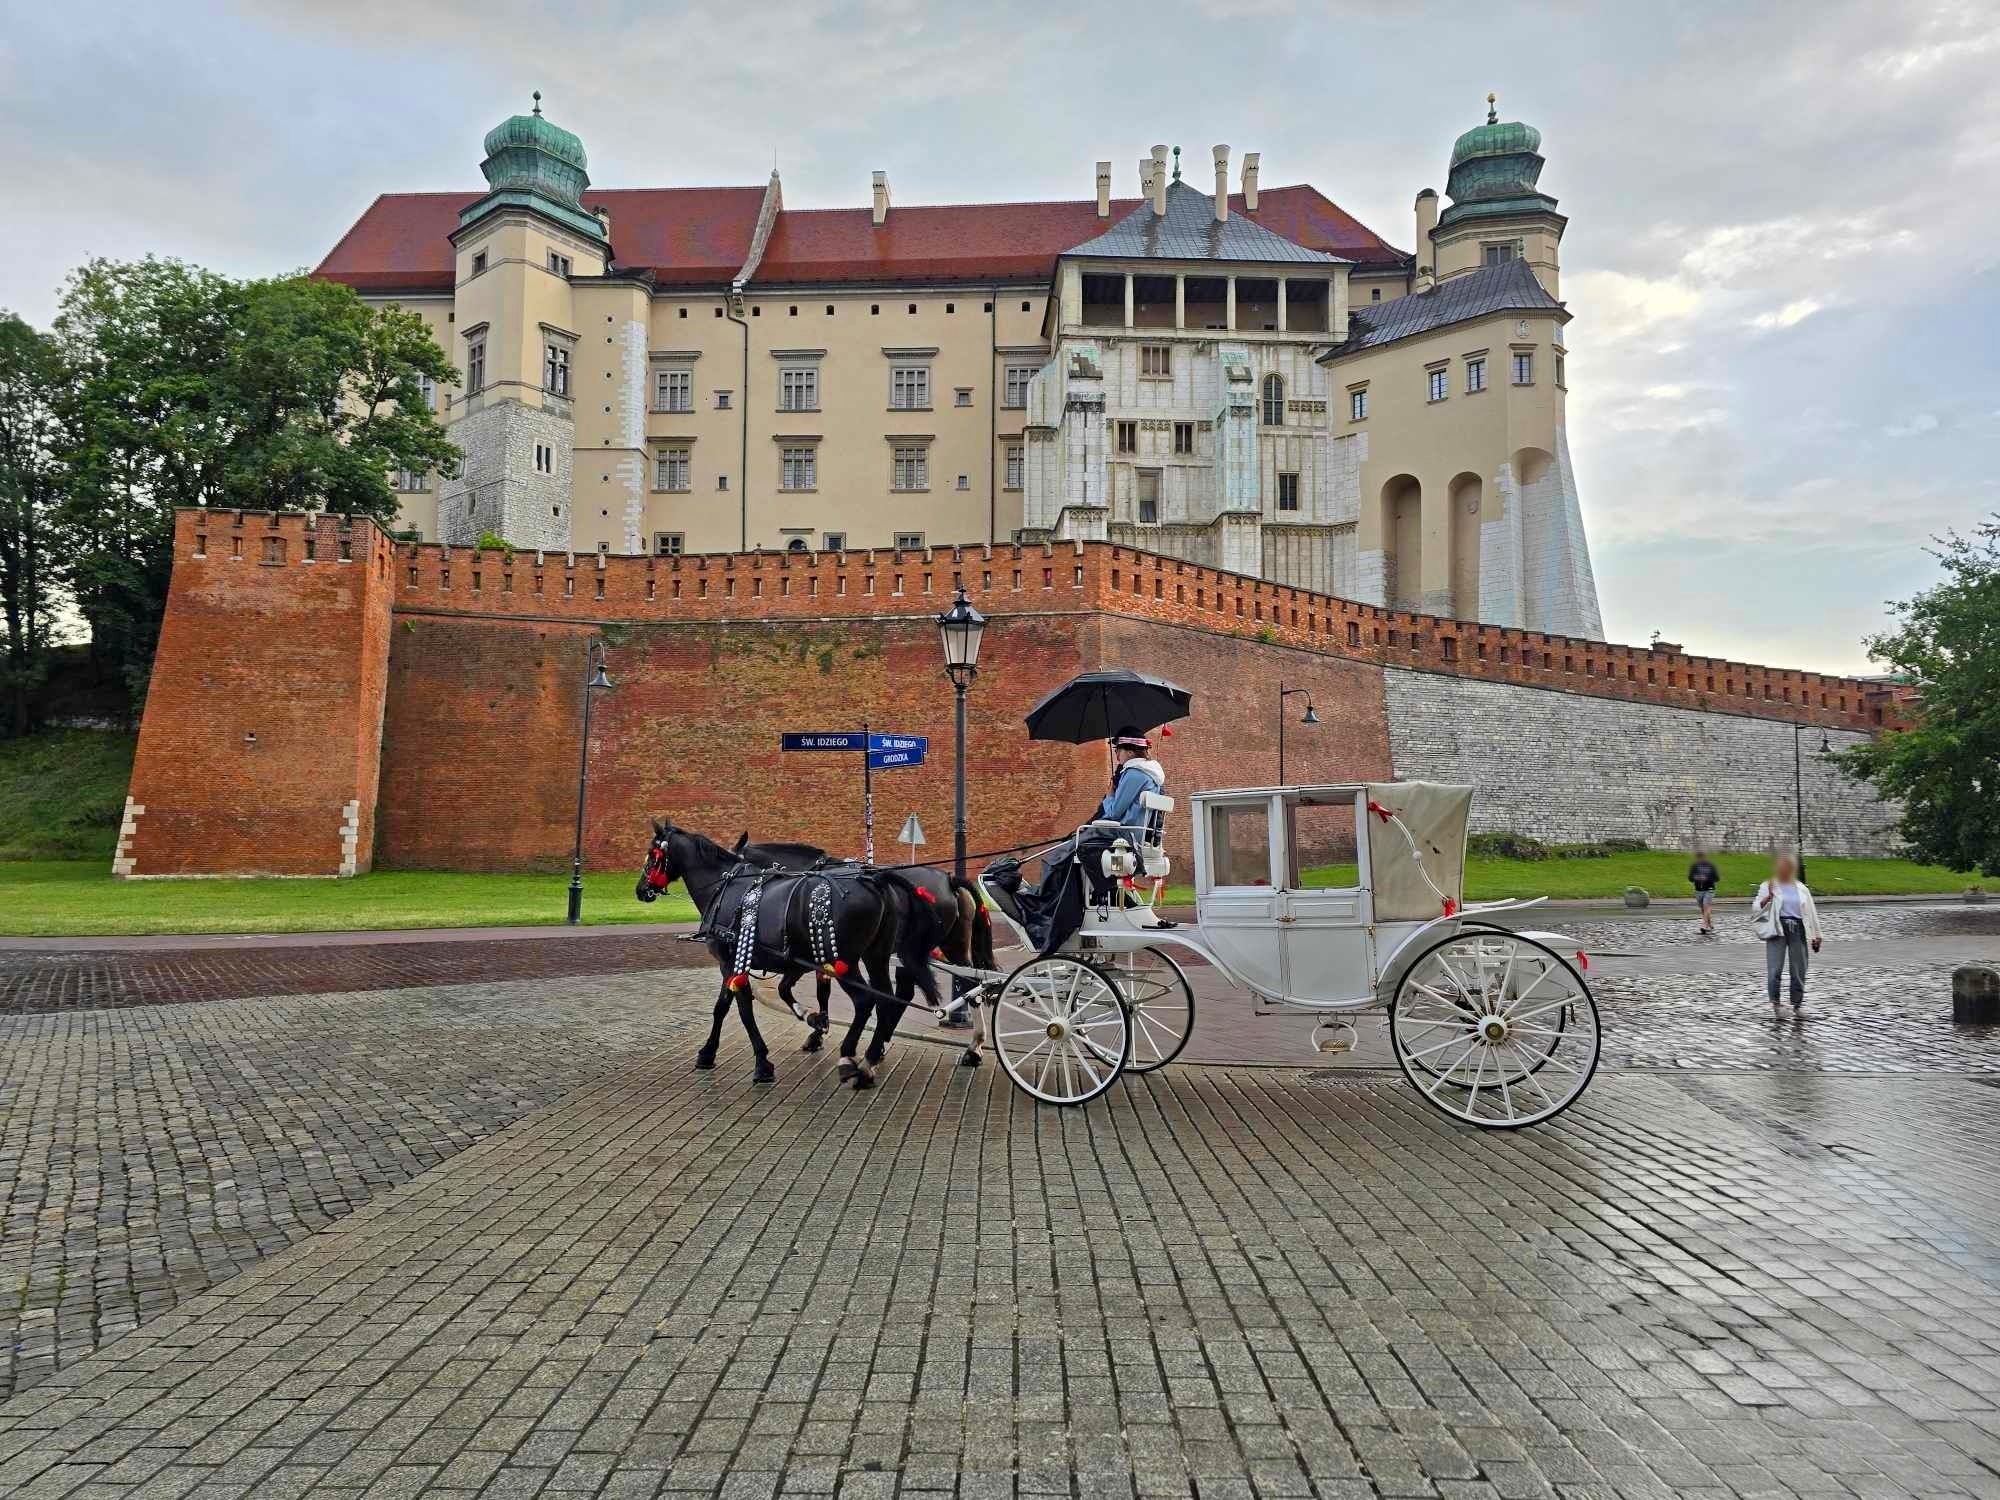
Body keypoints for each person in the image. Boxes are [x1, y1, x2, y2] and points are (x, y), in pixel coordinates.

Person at [1038, 728, 1165, 888]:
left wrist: (1110, 795)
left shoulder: (1134, 773)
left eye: (1118, 749)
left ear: (1131, 752)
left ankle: (1056, 894)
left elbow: (1114, 813)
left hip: (1122, 832)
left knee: (1063, 851)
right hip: (1134, 832)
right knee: (1074, 841)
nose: (1116, 754)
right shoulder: (1150, 773)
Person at [1752, 851, 1822, 1016]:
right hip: (1778, 928)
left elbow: (1811, 912)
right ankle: (1776, 1003)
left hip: (1798, 927)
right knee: (1775, 967)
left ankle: (1797, 1004)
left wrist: (1816, 934)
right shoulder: (1768, 885)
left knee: (1799, 967)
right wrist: (1768, 897)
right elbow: (1756, 908)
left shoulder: (1801, 888)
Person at [1687, 849, 1721, 936]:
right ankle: (1709, 924)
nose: (1701, 859)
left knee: (1706, 906)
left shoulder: (1710, 866)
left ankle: (1704, 925)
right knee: (1703, 909)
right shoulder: (1695, 866)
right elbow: (1690, 878)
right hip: (1698, 890)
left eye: (1702, 857)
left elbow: (1717, 878)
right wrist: (1696, 878)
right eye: (1699, 858)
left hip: (1709, 889)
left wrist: (1707, 878)